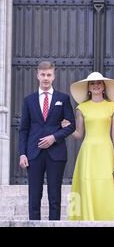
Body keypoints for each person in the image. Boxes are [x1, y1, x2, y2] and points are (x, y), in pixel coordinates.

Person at [19, 61, 75, 220]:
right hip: (33, 154)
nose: (45, 78)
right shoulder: (28, 100)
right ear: (37, 75)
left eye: (49, 75)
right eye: (43, 75)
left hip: (56, 154)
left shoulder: (63, 99)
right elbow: (23, 129)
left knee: (54, 197)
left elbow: (71, 125)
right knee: (34, 197)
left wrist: (54, 137)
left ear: (54, 76)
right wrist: (22, 153)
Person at [64, 72, 114, 221]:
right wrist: (67, 128)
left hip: (106, 151)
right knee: (87, 184)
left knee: (105, 186)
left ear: (104, 87)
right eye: (92, 83)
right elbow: (78, 134)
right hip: (88, 152)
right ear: (88, 88)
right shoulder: (81, 108)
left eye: (99, 83)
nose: (96, 85)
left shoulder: (113, 107)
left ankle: (108, 220)